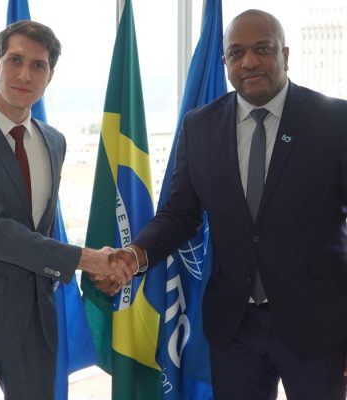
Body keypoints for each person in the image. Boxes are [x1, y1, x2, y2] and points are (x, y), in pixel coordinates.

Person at [97, 9, 347, 400]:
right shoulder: (199, 126)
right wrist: (135, 255)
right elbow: (180, 214)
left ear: (285, 54)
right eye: (236, 53)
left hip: (317, 324)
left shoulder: (335, 121)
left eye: (262, 49)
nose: (249, 61)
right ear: (225, 62)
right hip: (235, 326)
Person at [0, 21, 132, 400]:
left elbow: (39, 231)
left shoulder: (54, 141)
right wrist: (88, 260)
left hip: (37, 322)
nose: (24, 75)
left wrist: (99, 268)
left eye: (38, 65)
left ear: (50, 75)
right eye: (15, 60)